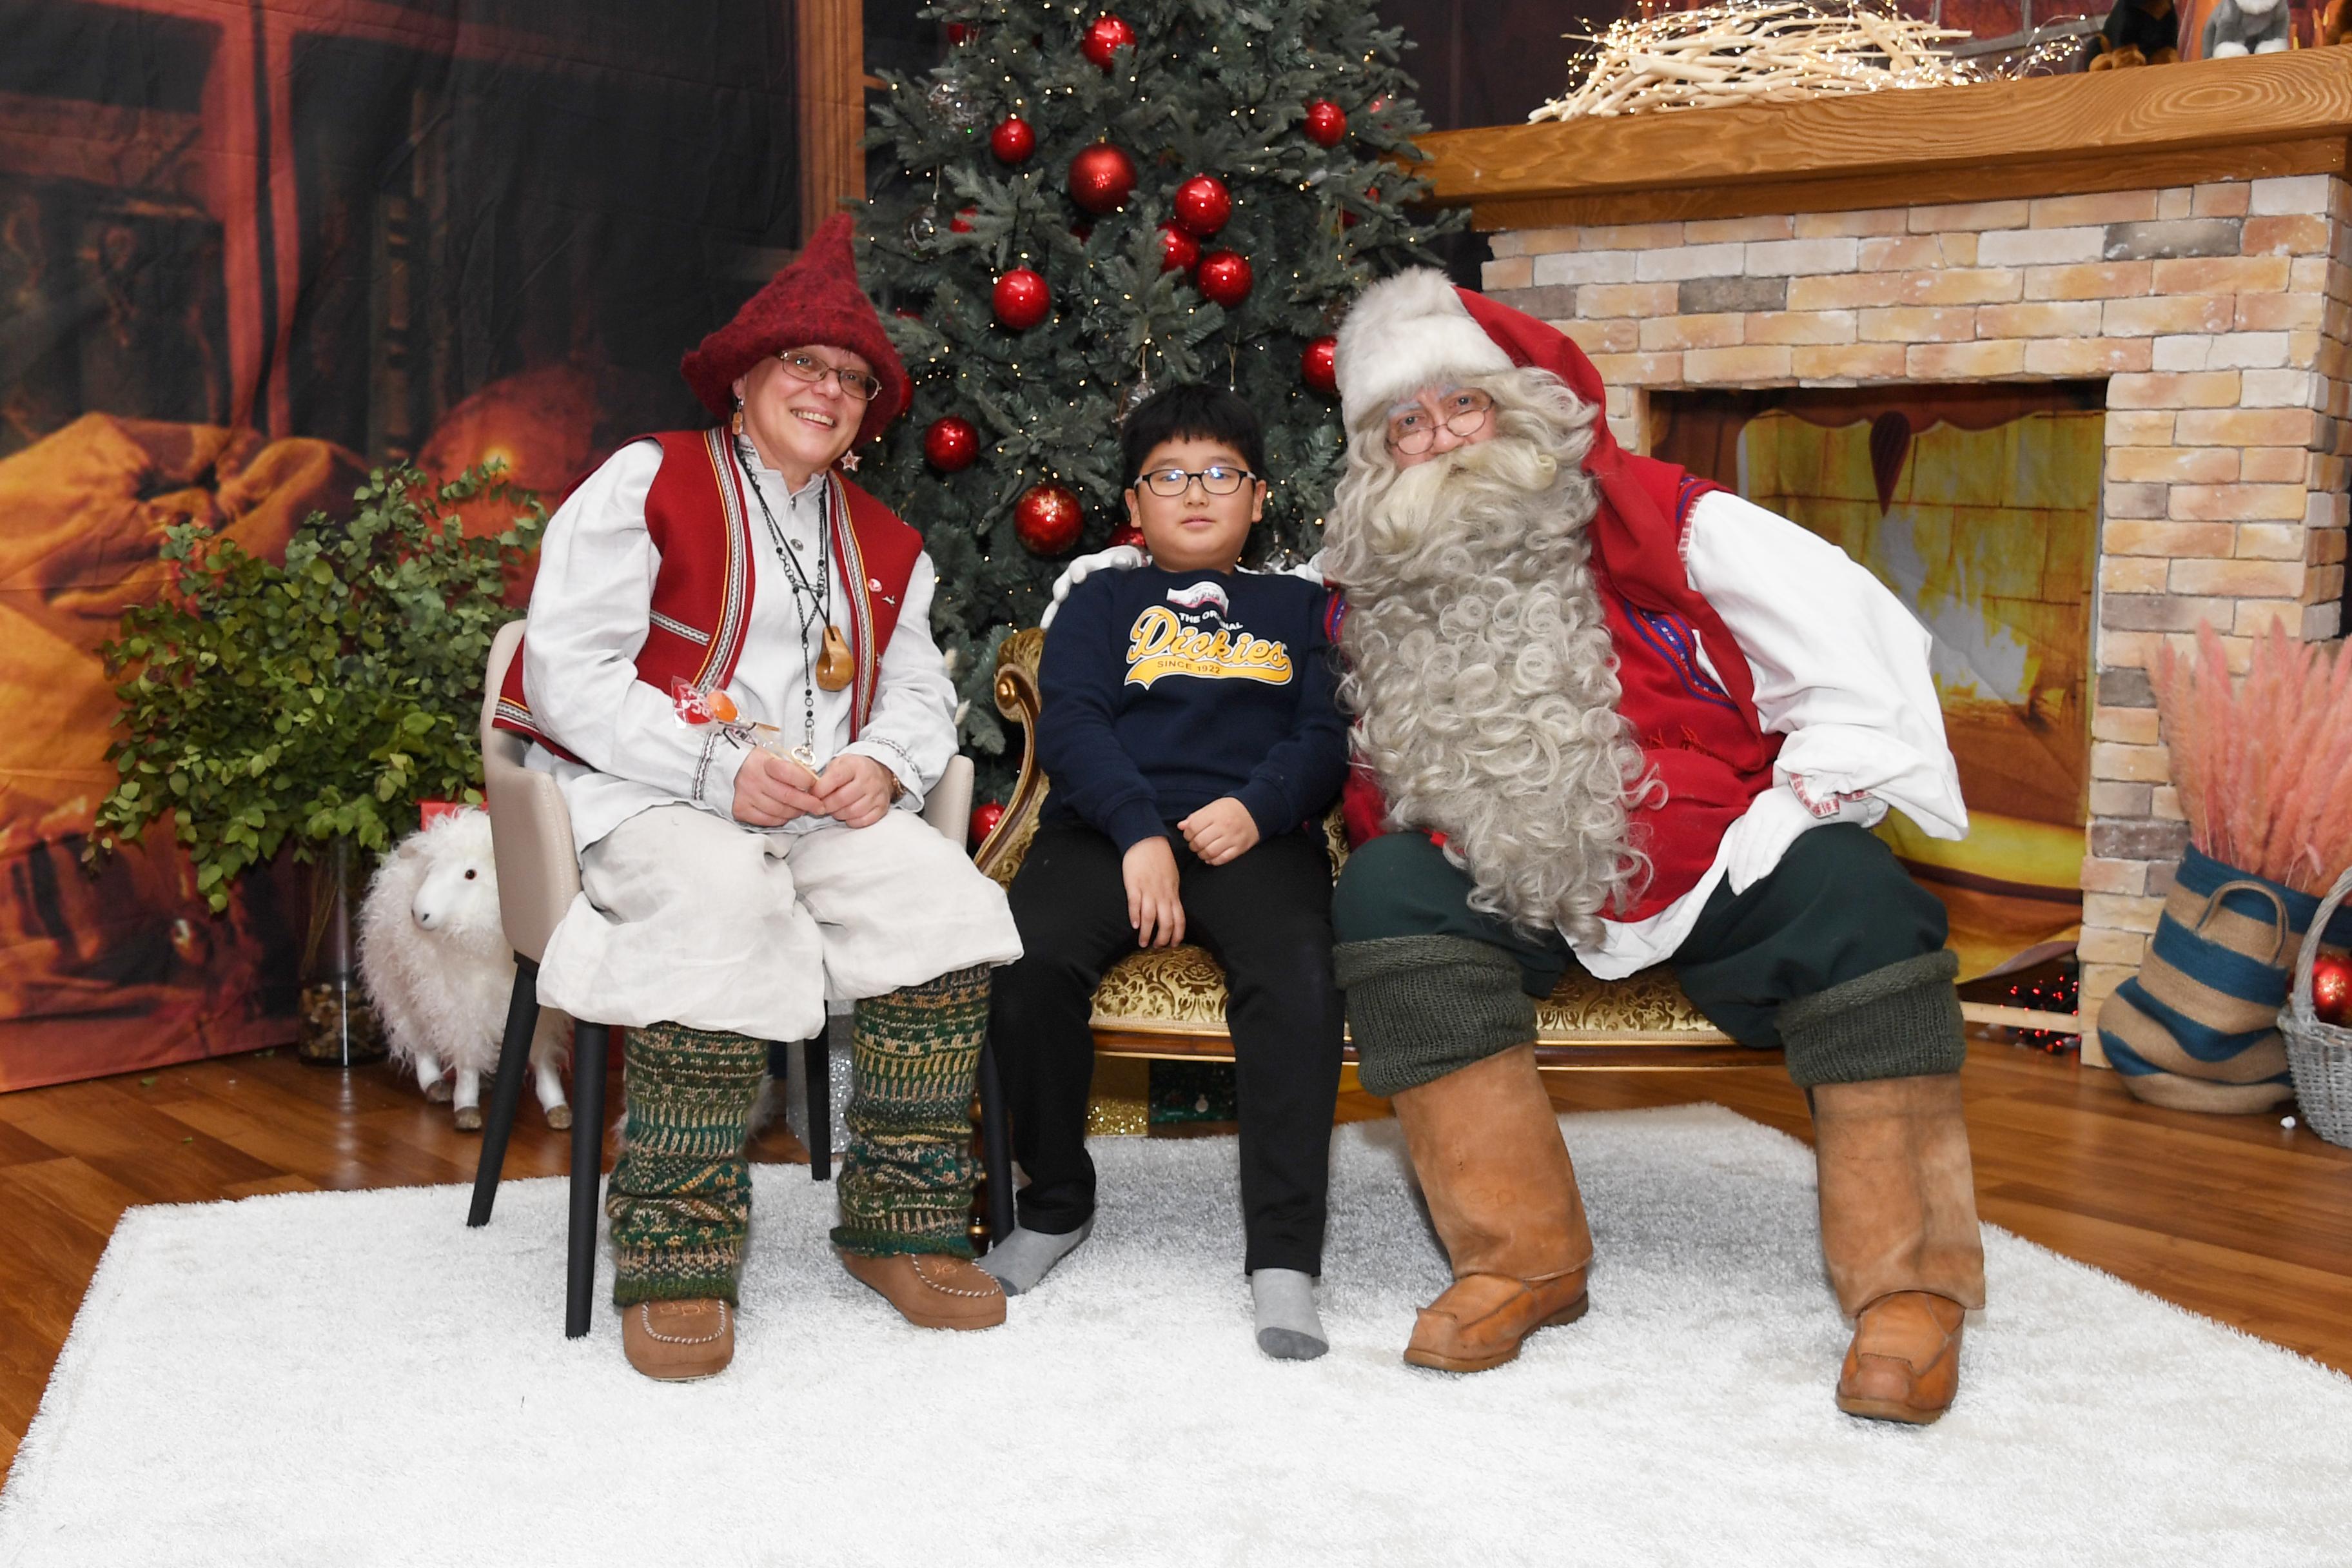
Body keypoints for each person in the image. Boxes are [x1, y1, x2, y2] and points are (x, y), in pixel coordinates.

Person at [1054, 271, 1983, 1424]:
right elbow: (1218, 616)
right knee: (1391, 893)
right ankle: (1519, 1255)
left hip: (1707, 849)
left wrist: (1800, 801)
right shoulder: (1362, 581)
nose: (1438, 440)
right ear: (1377, 456)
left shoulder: (1665, 518)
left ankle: (1910, 1291)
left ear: (1519, 408)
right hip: (1507, 871)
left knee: (1861, 899)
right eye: (1407, 421)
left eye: (1464, 408)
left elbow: (1844, 644)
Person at [491, 214, 1023, 1380]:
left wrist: (880, 766)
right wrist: (718, 770)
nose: (827, 392)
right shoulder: (648, 480)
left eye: (849, 378)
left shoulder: (887, 544)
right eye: (804, 366)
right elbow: (562, 674)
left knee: (941, 901)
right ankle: (676, 1248)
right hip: (650, 797)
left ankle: (901, 1224)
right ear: (745, 375)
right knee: (721, 894)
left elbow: (926, 699)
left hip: (821, 812)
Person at [981, 385, 1350, 1358]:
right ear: (1134, 506)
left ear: (1260, 497)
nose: (1197, 494)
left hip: (1254, 838)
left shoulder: (1304, 609)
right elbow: (1073, 723)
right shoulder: (1103, 601)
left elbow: (1324, 736)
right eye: (1169, 477)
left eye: (1222, 474)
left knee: (1301, 977)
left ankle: (1284, 1256)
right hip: (1109, 830)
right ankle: (1056, 1204)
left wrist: (1256, 808)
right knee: (1026, 961)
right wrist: (1142, 830)